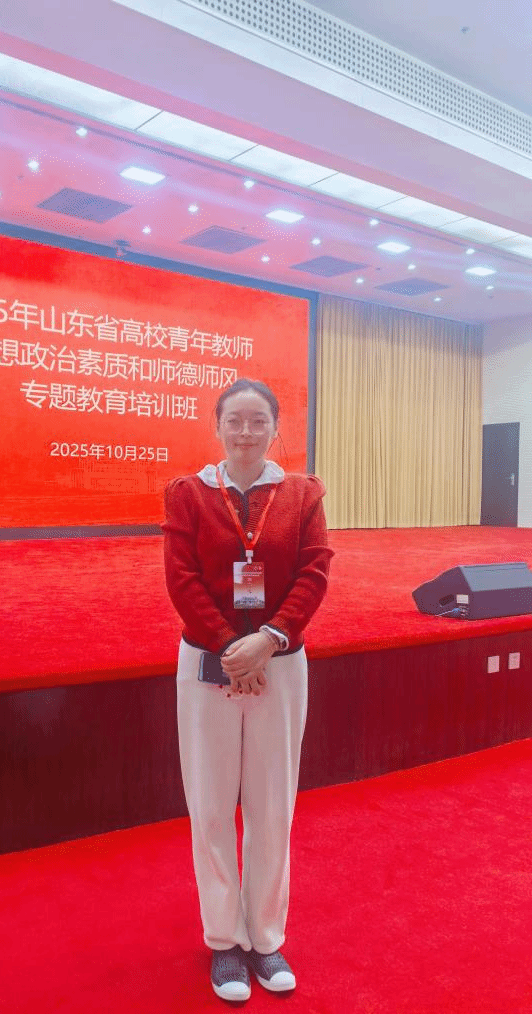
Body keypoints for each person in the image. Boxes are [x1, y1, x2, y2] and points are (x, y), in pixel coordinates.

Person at [163, 378, 333, 1002]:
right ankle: (224, 941)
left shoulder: (302, 494)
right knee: (210, 806)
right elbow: (181, 577)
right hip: (207, 664)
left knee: (271, 806)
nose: (245, 432)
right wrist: (229, 646)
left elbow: (315, 570)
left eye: (258, 420)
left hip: (280, 663)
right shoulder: (188, 493)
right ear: (217, 425)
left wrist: (269, 639)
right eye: (234, 420)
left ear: (275, 427)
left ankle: (265, 937)